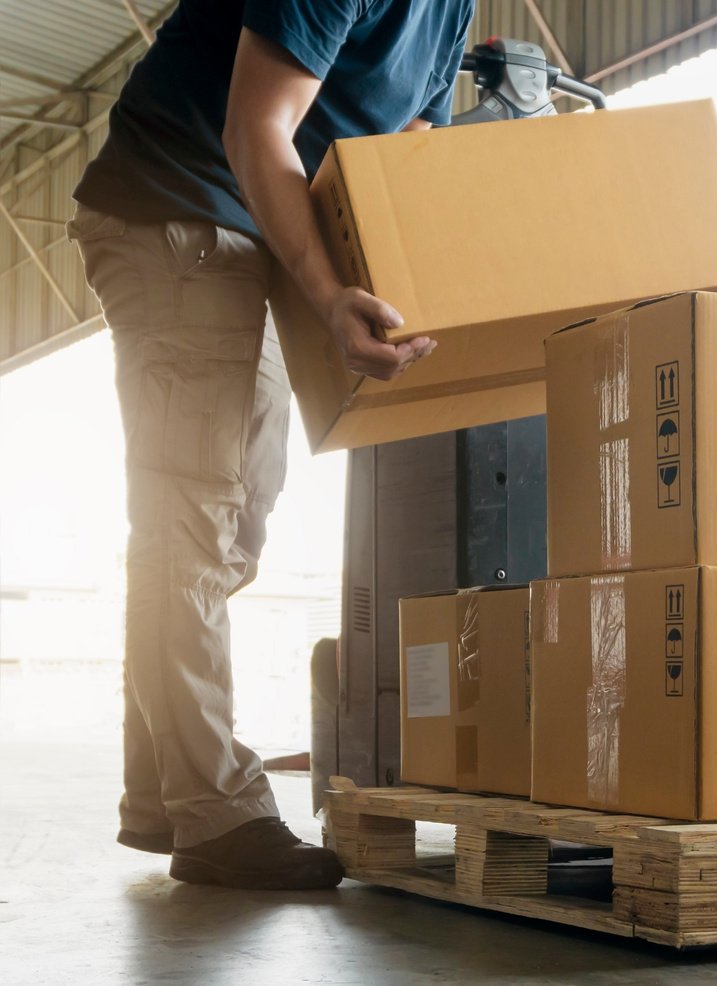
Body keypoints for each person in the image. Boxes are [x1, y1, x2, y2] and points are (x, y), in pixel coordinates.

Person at [66, 0, 472, 890]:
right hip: (177, 202)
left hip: (257, 234)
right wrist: (330, 296)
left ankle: (165, 795)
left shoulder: (454, 11)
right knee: (193, 520)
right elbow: (259, 126)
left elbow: (396, 159)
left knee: (235, 522)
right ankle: (217, 816)